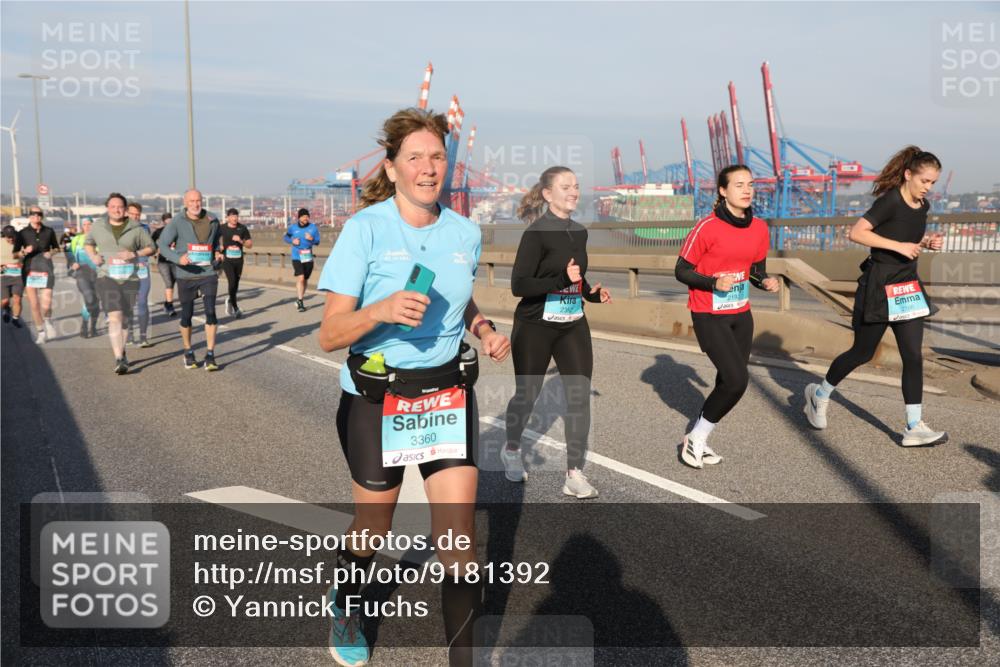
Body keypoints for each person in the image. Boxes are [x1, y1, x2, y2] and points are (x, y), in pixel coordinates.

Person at [317, 107, 510, 667]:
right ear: (393, 167)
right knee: (374, 527)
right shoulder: (365, 230)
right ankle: (346, 604)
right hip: (378, 396)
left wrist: (483, 328)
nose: (428, 167)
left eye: (437, 156)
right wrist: (382, 309)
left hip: (446, 394)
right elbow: (329, 334)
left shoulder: (464, 232)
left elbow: (459, 295)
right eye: (415, 157)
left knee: (459, 544)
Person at [805, 147, 947, 447]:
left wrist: (925, 241)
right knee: (862, 352)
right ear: (908, 175)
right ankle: (819, 394)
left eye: (933, 182)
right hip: (880, 285)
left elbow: (904, 237)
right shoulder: (890, 201)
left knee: (913, 355)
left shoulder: (922, 205)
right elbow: (857, 233)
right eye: (924, 180)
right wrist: (899, 246)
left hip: (906, 286)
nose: (928, 187)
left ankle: (913, 426)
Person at [502, 166, 612, 498]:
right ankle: (510, 449)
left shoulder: (579, 232)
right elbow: (519, 285)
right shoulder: (536, 234)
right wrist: (562, 281)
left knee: (579, 397)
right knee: (528, 395)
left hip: (572, 324)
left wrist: (590, 293)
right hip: (535, 325)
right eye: (566, 186)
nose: (574, 192)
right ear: (548, 194)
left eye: (576, 186)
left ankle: (574, 474)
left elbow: (576, 277)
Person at [674, 164, 779, 468]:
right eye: (739, 185)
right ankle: (696, 438)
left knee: (726, 380)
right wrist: (712, 283)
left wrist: (765, 282)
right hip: (709, 313)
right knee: (736, 381)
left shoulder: (759, 227)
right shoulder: (707, 227)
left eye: (750, 184)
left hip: (740, 314)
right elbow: (681, 270)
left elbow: (756, 271)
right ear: (722, 191)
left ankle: (699, 437)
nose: (747, 190)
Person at [84, 193, 156, 375]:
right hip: (106, 277)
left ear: (125, 209)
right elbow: (88, 243)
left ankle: (122, 351)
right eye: (113, 206)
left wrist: (135, 254)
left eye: (120, 207)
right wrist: (93, 255)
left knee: (125, 318)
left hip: (130, 278)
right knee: (115, 316)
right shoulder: (98, 226)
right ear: (108, 208)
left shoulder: (136, 227)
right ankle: (118, 359)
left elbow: (151, 247)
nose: (116, 210)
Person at [156, 189, 222, 371]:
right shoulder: (177, 221)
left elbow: (216, 241)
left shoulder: (213, 219)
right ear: (185, 202)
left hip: (207, 272)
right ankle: (188, 350)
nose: (195, 204)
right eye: (191, 201)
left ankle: (210, 354)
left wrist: (217, 251)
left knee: (210, 312)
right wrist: (178, 259)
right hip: (186, 274)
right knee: (187, 315)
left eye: (198, 200)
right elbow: (161, 245)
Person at [13, 206, 60, 344]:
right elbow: (15, 254)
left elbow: (57, 247)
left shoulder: (49, 231)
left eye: (39, 214)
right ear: (29, 216)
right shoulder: (22, 233)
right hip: (29, 271)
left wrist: (50, 253)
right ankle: (41, 333)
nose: (36, 216)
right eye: (33, 214)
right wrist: (24, 252)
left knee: (47, 304)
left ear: (42, 216)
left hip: (46, 269)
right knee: (34, 305)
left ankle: (48, 321)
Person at [125, 202, 153, 347]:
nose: (135, 216)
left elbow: (151, 248)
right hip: (126, 271)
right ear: (126, 213)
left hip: (142, 269)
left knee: (142, 302)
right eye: (132, 213)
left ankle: (143, 336)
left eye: (137, 214)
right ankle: (129, 333)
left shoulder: (145, 228)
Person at [69, 217, 101, 338]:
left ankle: (93, 326)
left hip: (98, 273)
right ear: (82, 226)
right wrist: (72, 263)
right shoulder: (76, 239)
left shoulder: (100, 239)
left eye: (89, 224)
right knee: (89, 298)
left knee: (96, 301)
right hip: (82, 273)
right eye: (85, 224)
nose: (87, 227)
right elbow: (70, 255)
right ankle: (84, 324)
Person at [284, 207, 320, 312]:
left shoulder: (313, 228)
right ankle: (300, 301)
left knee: (305, 279)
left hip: (308, 256)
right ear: (299, 217)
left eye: (307, 216)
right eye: (303, 216)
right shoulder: (293, 228)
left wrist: (311, 239)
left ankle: (300, 299)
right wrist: (292, 241)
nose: (306, 218)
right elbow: (285, 237)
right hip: (296, 256)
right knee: (301, 278)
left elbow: (317, 241)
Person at [219, 207, 253, 318]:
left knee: (236, 284)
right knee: (232, 282)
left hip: (239, 260)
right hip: (227, 260)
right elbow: (215, 240)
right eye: (232, 216)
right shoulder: (222, 228)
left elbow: (249, 244)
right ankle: (235, 307)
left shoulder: (242, 228)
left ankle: (230, 299)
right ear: (227, 217)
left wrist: (240, 241)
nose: (234, 218)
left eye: (236, 216)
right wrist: (219, 247)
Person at [152, 212, 178, 318]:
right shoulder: (159, 231)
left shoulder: (178, 231)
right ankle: (170, 306)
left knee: (175, 281)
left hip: (175, 261)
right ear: (163, 221)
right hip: (163, 262)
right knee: (168, 282)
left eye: (170, 219)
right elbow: (151, 242)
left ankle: (167, 303)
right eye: (167, 219)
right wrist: (154, 250)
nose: (169, 221)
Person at [2, 225, 25, 328]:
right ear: (4, 236)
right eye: (8, 237)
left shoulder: (21, 242)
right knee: (5, 301)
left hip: (17, 275)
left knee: (17, 298)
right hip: (3, 275)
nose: (11, 239)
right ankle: (6, 309)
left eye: (12, 236)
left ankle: (15, 318)